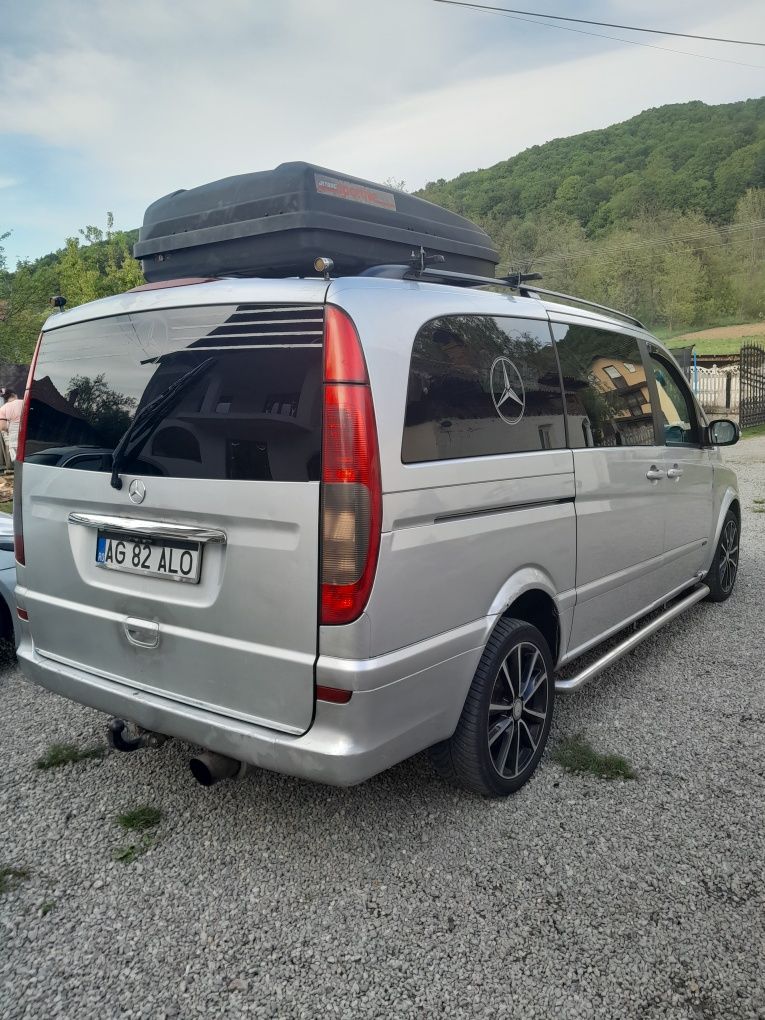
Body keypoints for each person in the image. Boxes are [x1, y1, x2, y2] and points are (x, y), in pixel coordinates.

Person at [0, 388, 24, 461]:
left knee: (18, 462)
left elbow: (3, 427)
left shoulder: (3, 408)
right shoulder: (24, 402)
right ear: (14, 395)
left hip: (14, 440)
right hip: (27, 436)